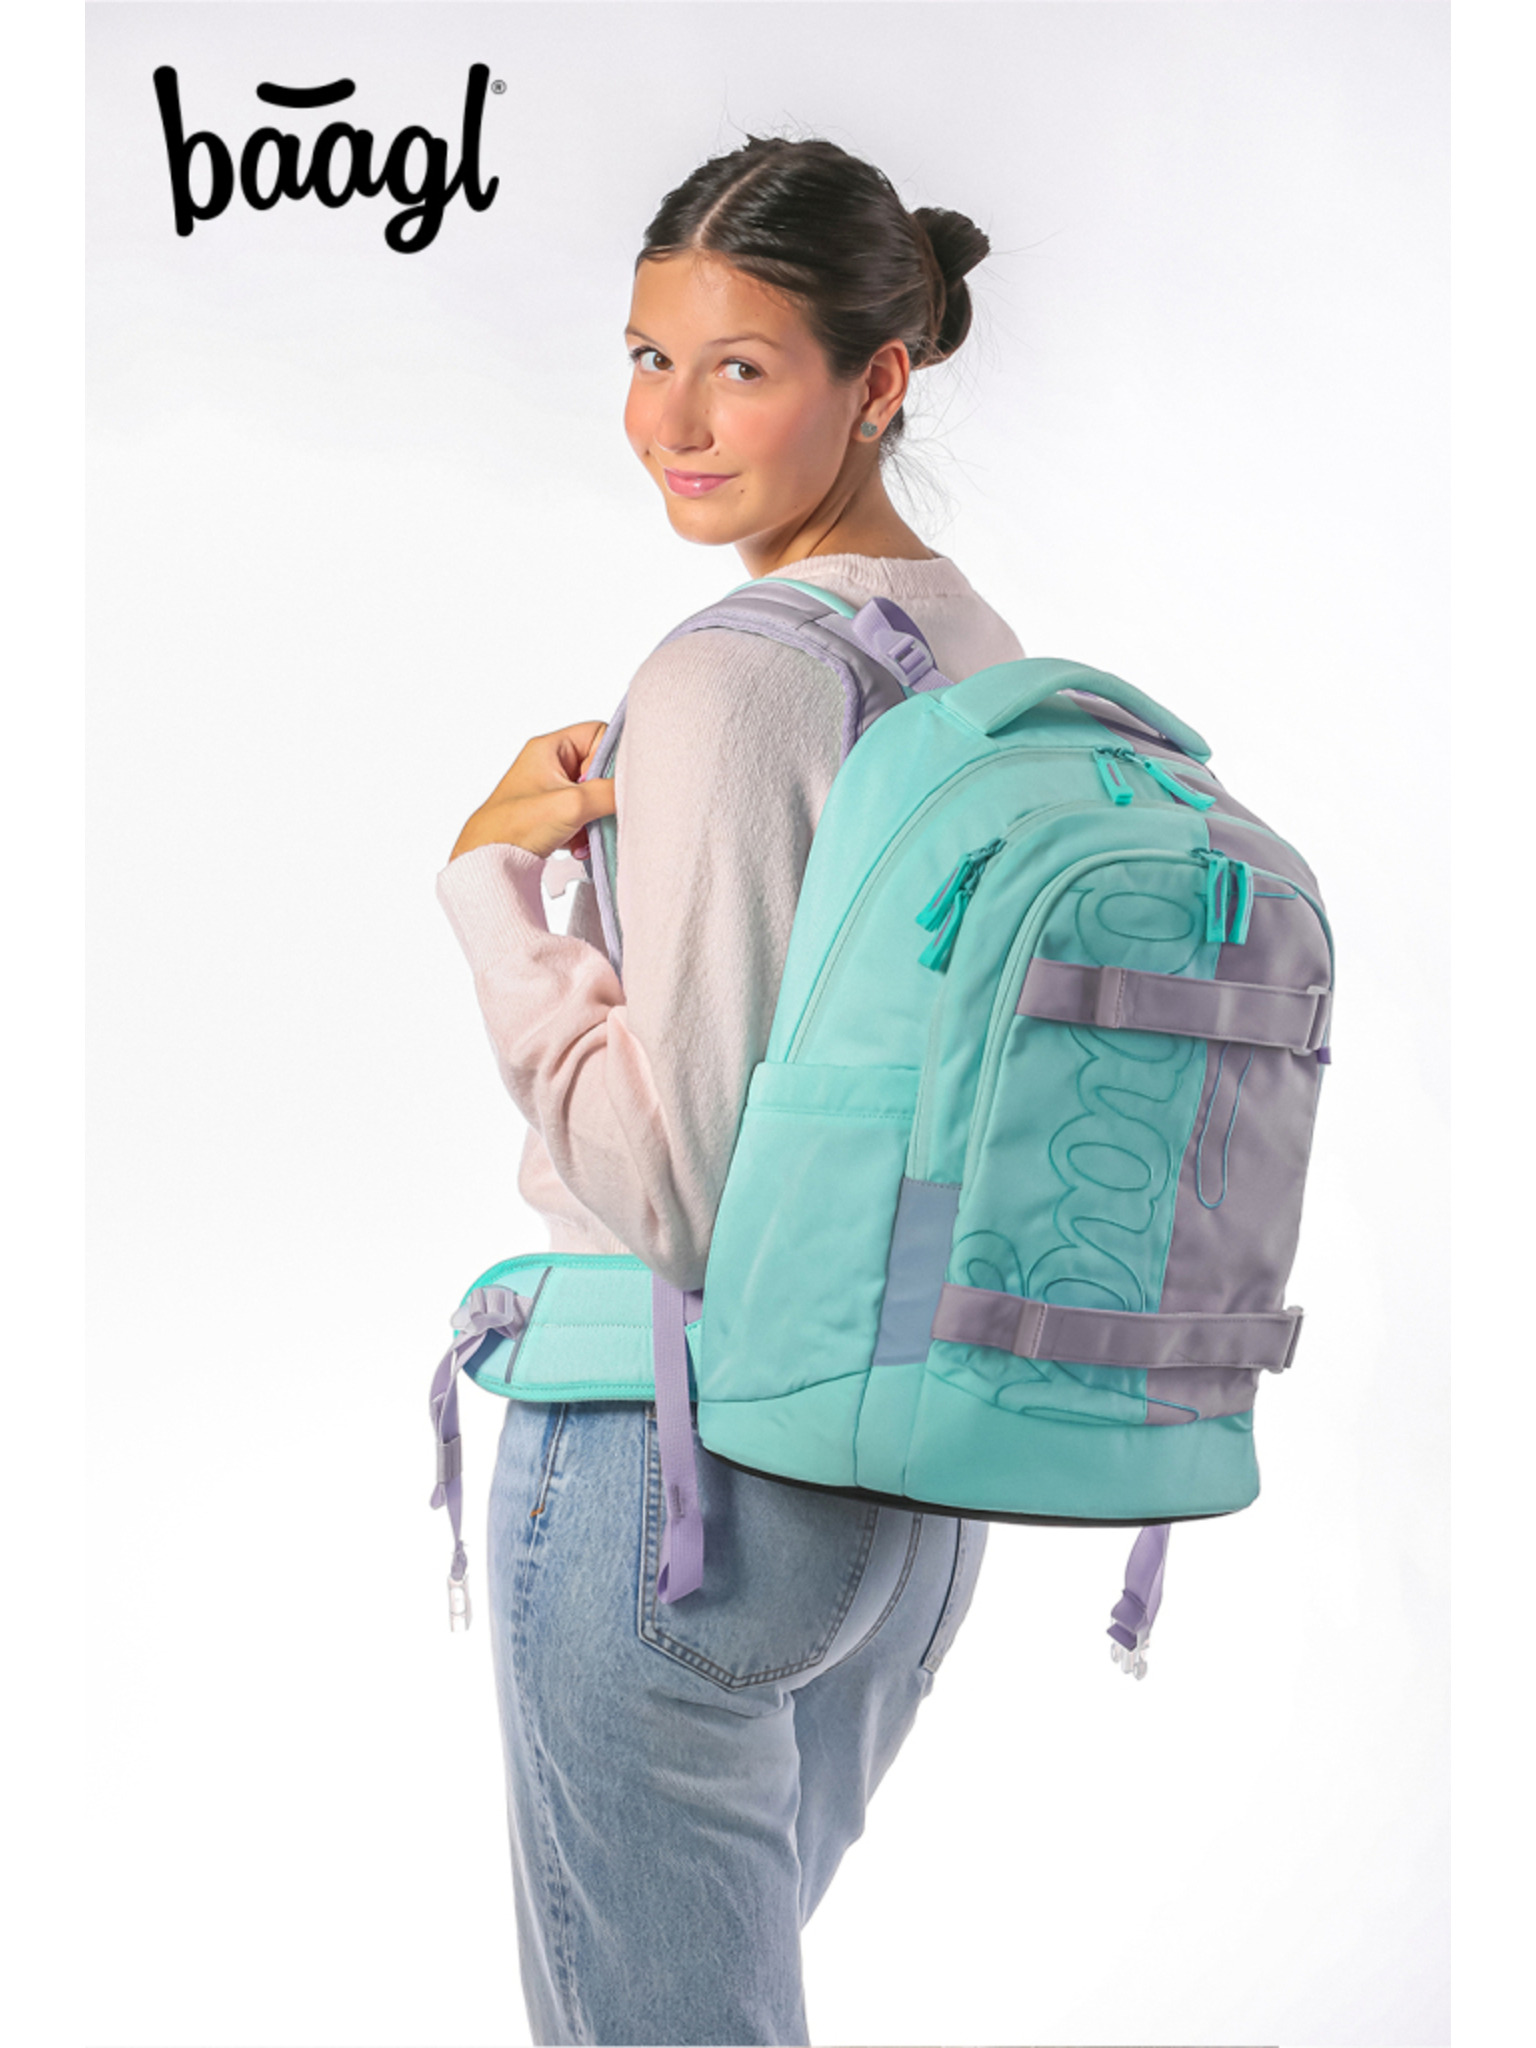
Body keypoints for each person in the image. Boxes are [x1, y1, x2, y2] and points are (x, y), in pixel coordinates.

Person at [436, 134, 1026, 2048]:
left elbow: (681, 1192)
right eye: (647, 356)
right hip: (905, 1486)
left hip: (675, 1470)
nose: (671, 424)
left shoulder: (734, 679)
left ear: (879, 378)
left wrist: (494, 896)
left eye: (742, 368)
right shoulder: (972, 650)